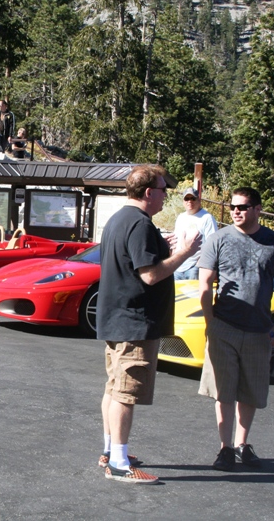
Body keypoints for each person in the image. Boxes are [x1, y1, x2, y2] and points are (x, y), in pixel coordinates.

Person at [96, 165, 202, 484]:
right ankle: (118, 463)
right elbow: (151, 275)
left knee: (114, 388)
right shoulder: (140, 224)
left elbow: (135, 260)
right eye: (163, 190)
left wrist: (162, 245)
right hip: (134, 323)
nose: (166, 196)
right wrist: (185, 252)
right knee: (125, 392)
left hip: (117, 319)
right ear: (148, 193)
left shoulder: (120, 220)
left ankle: (110, 451)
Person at [197, 187, 274, 471]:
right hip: (224, 326)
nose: (236, 211)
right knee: (224, 391)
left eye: (242, 207)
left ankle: (242, 444)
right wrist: (211, 323)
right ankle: (225, 448)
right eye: (233, 207)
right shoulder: (218, 239)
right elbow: (205, 284)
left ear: (258, 209)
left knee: (251, 391)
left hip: (259, 330)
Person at [173, 187, 218, 280]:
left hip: (194, 267)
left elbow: (212, 245)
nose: (190, 201)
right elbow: (175, 241)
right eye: (187, 199)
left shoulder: (207, 218)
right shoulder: (180, 217)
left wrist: (199, 264)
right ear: (183, 202)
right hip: (178, 266)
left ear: (199, 200)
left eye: (193, 198)